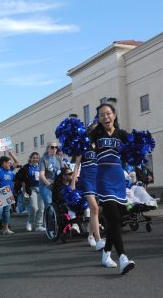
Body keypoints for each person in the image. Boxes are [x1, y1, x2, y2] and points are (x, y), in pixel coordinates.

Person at [90, 103, 135, 274]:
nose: (105, 117)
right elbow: (83, 148)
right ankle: (123, 257)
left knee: (116, 220)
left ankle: (106, 254)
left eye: (108, 114)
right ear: (99, 119)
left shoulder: (122, 134)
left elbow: (133, 151)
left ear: (114, 115)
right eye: (101, 115)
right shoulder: (95, 134)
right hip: (103, 178)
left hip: (118, 179)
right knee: (114, 218)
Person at [71, 122, 105, 250]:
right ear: (90, 132)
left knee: (96, 210)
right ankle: (99, 239)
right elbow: (76, 167)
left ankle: (90, 235)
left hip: (98, 179)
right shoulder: (82, 147)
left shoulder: (100, 147)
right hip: (87, 179)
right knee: (94, 208)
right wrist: (73, 183)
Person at [16, 152, 45, 232]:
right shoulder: (26, 167)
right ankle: (30, 221)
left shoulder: (41, 166)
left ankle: (39, 225)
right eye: (34, 157)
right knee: (33, 207)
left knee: (41, 208)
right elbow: (22, 179)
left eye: (37, 158)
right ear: (30, 158)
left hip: (41, 188)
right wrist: (24, 190)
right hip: (32, 189)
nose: (35, 159)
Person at [39, 142, 64, 208]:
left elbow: (63, 172)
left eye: (56, 147)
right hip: (45, 185)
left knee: (58, 205)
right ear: (48, 149)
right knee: (50, 205)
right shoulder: (43, 159)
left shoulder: (59, 159)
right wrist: (48, 184)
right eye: (52, 147)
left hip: (56, 184)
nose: (54, 149)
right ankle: (49, 217)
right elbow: (41, 174)